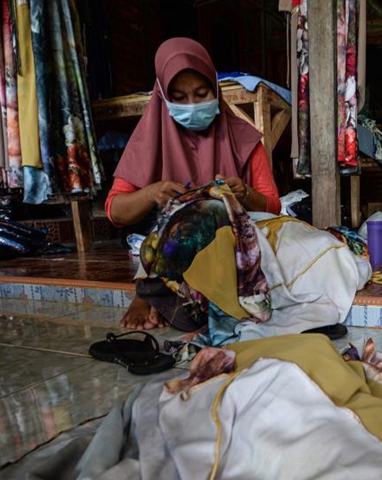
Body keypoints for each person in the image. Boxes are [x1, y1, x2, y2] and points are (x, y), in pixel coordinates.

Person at [106, 38, 281, 330]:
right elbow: (115, 211)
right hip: (171, 249)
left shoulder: (244, 139)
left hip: (231, 244)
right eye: (180, 97)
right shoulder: (148, 140)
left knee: (211, 208)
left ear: (216, 88)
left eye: (202, 94)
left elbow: (273, 206)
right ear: (163, 96)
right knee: (178, 216)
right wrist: (151, 193)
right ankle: (151, 292)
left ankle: (156, 294)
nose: (193, 105)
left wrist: (244, 194)